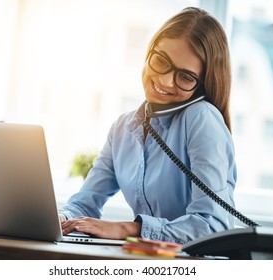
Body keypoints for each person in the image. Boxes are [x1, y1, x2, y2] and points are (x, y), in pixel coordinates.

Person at [59, 6, 236, 244]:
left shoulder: (201, 118)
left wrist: (127, 229)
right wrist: (61, 218)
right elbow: (84, 203)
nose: (165, 81)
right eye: (161, 61)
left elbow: (211, 225)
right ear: (149, 51)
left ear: (201, 86)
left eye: (185, 77)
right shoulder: (123, 128)